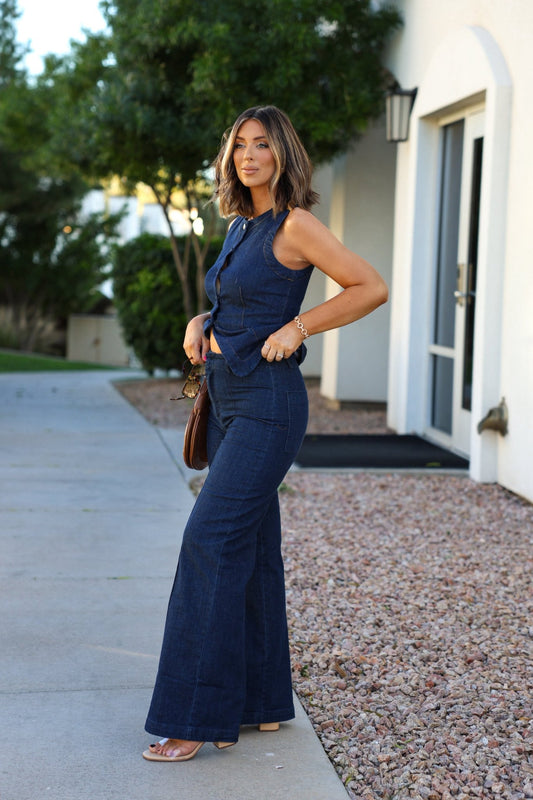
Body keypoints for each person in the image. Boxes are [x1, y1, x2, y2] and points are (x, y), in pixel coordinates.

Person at [143, 105, 388, 762]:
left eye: (261, 145)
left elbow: (370, 286)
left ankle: (193, 716)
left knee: (208, 541)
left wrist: (300, 327)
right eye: (239, 145)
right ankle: (259, 701)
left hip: (267, 404)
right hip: (224, 397)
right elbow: (239, 303)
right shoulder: (239, 225)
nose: (248, 155)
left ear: (283, 154)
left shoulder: (295, 224)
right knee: (249, 550)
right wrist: (201, 319)